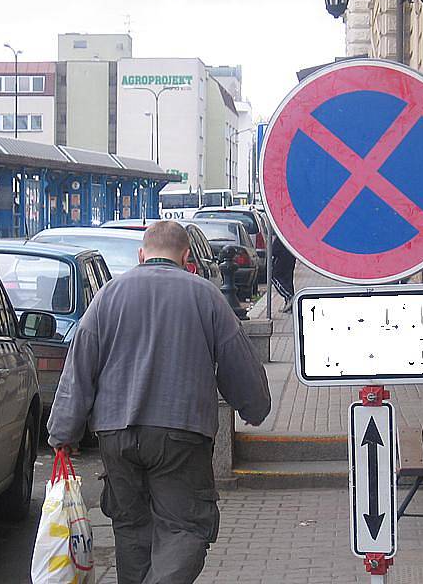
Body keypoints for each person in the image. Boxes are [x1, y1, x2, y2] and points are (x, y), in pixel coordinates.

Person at [47, 220, 271, 584]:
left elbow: (79, 367)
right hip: (181, 433)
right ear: (186, 257)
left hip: (116, 434)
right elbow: (238, 361)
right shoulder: (206, 296)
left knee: (132, 530)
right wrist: (255, 407)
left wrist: (62, 435)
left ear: (141, 255)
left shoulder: (109, 294)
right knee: (185, 528)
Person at [271, 236, 297, 313]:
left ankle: (289, 297)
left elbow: (274, 250)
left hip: (281, 259)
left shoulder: (280, 235)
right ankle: (290, 305)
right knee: (288, 279)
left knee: (274, 277)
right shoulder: (290, 234)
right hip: (291, 257)